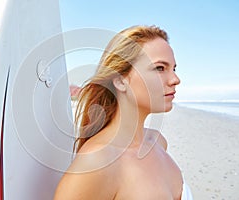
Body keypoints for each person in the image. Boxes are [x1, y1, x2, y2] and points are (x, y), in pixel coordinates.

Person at [54, 25, 193, 200]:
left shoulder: (157, 141)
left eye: (173, 68)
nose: (175, 79)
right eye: (159, 68)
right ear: (120, 81)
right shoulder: (97, 163)